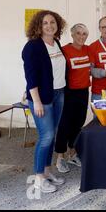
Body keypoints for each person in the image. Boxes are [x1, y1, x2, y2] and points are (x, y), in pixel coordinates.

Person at [22, 10, 67, 193]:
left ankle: (47, 172)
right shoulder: (32, 46)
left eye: (53, 22)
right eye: (45, 23)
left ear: (58, 25)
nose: (49, 25)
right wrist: (37, 101)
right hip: (42, 98)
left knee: (53, 135)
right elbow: (31, 77)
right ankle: (39, 179)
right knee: (46, 136)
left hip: (59, 94)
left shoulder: (56, 43)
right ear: (38, 26)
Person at [55, 23, 90, 173]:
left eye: (84, 34)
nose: (81, 37)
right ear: (72, 34)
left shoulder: (88, 49)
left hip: (83, 91)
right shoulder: (64, 51)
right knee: (64, 125)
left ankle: (73, 153)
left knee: (78, 124)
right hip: (68, 92)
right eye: (78, 33)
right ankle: (60, 157)